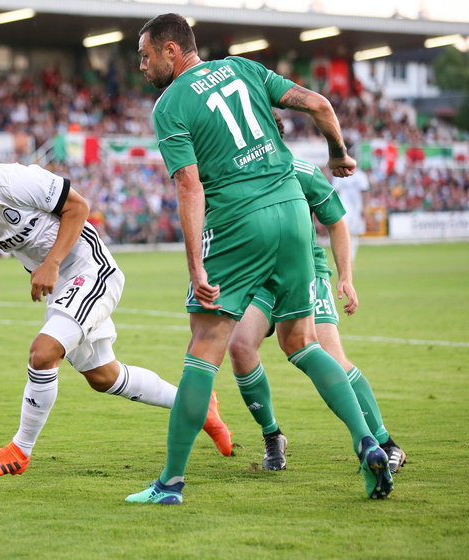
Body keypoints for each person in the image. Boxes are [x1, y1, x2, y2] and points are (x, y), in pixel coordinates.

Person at [126, 13, 392, 505]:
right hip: (292, 211)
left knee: (205, 343)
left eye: (145, 56)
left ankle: (170, 483)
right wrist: (338, 153)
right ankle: (369, 444)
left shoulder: (170, 105)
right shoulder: (243, 69)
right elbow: (319, 104)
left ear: (170, 50)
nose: (141, 67)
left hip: (238, 219)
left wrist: (195, 267)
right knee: (302, 342)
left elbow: (189, 185)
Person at [0, 133, 233, 478]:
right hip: (61, 285)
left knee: (43, 352)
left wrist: (50, 263)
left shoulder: (13, 180)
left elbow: (78, 207)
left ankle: (19, 451)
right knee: (103, 377)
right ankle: (199, 406)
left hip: (91, 268)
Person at [227, 113, 405, 473]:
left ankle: (384, 441)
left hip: (305, 273)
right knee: (240, 346)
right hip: (260, 279)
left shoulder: (300, 171)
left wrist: (345, 277)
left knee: (330, 354)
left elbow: (337, 223)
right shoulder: (236, 173)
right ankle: (272, 435)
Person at [330, 160, 369, 263]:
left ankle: (350, 259)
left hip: (357, 208)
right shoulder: (338, 175)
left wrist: (364, 208)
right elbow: (335, 193)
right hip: (343, 208)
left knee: (354, 234)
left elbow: (364, 193)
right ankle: (341, 259)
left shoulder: (361, 176)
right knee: (342, 232)